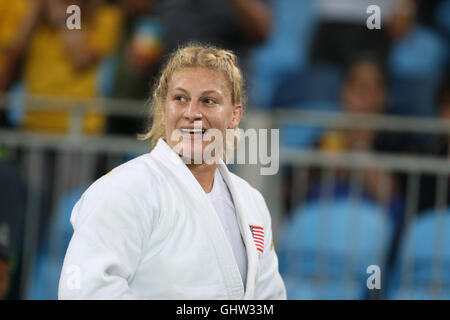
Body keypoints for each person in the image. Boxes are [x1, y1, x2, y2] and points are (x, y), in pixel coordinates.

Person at [58, 44, 286, 299]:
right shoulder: (124, 189)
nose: (192, 113)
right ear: (164, 112)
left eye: (208, 101)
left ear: (234, 116)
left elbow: (269, 296)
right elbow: (84, 290)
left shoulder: (251, 201)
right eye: (180, 99)